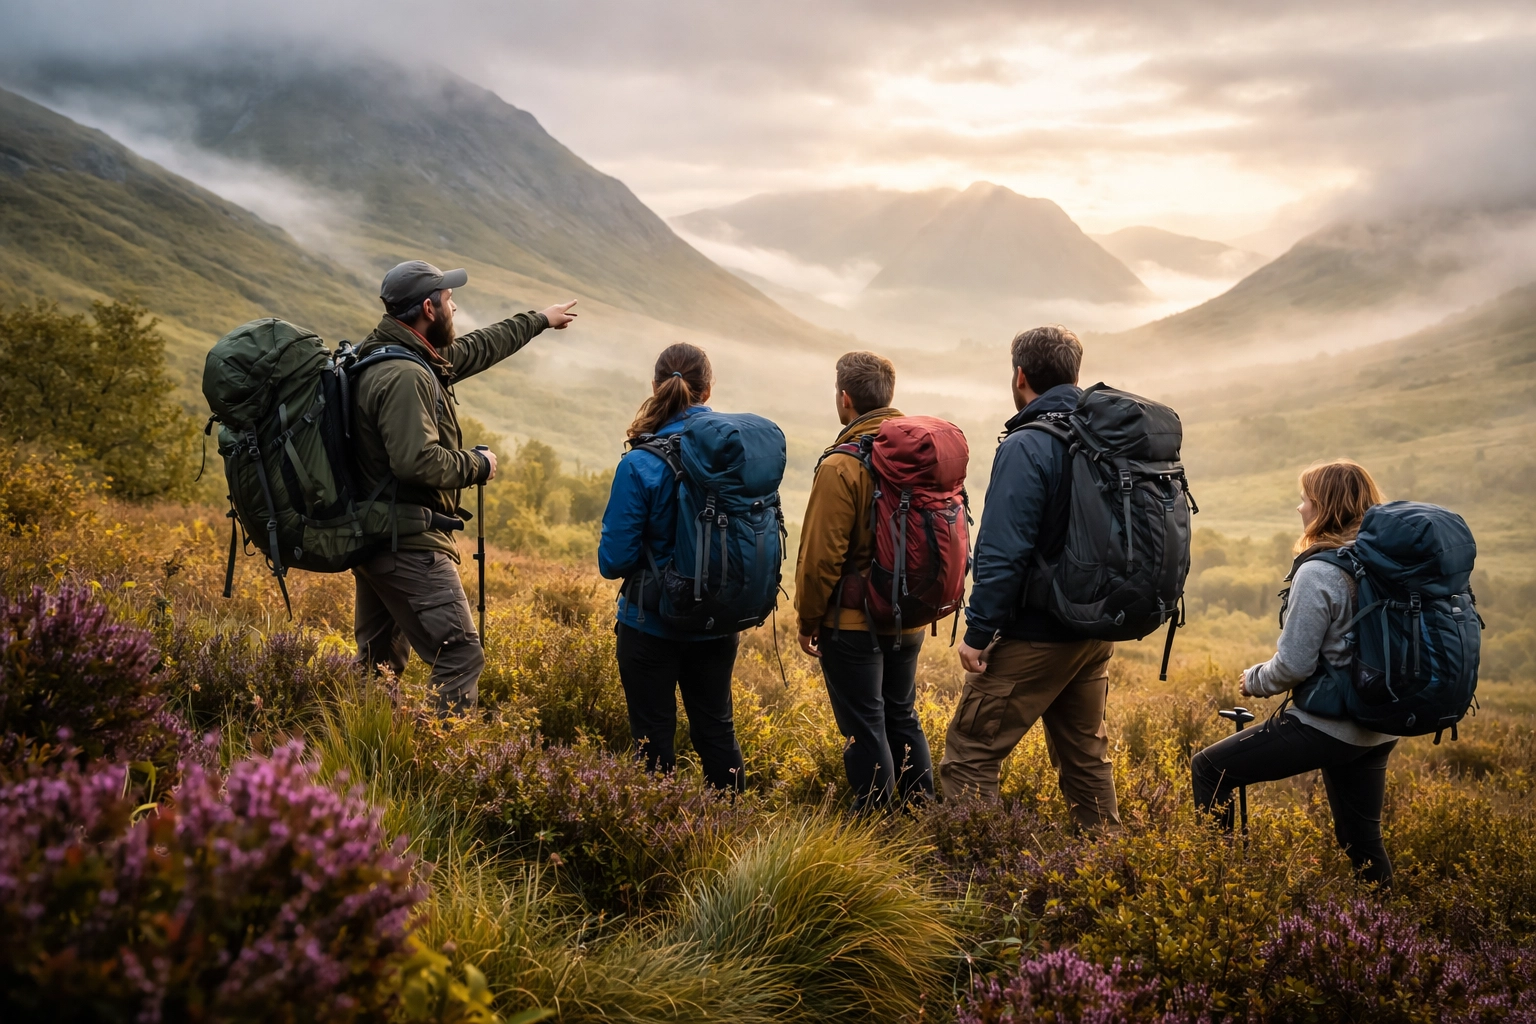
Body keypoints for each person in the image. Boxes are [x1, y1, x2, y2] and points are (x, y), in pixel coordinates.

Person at [352, 259, 578, 713]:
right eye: (449, 299)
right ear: (429, 309)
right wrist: (478, 464)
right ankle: (439, 766)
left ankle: (361, 758)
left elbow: (477, 347)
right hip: (407, 542)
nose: (455, 306)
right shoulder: (406, 375)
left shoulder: (392, 354)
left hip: (375, 537)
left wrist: (538, 319)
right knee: (458, 654)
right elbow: (416, 461)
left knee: (378, 663)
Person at [938, 325, 1120, 832]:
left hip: (1036, 633)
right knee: (1086, 757)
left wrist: (978, 632)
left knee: (971, 753)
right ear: (1074, 373)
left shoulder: (1029, 444)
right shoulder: (1102, 435)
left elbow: (1001, 552)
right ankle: (1108, 868)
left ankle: (971, 878)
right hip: (1093, 630)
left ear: (1020, 376)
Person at [1192, 459, 1397, 885]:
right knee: (1362, 840)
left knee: (1210, 769)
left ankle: (1217, 886)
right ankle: (1391, 933)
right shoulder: (1387, 564)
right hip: (1380, 724)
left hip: (1330, 724)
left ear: (1324, 507)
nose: (1299, 508)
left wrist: (1255, 680)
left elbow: (1294, 665)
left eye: (1305, 499)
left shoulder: (1321, 570)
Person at [597, 343, 746, 791]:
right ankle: (733, 835)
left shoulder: (640, 462)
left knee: (652, 740)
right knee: (717, 730)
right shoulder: (734, 457)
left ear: (655, 385)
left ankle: (661, 840)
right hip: (719, 621)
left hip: (651, 625)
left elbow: (614, 561)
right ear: (708, 388)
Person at [796, 351, 934, 812]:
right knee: (901, 715)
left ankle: (877, 826)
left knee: (865, 725)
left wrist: (809, 617)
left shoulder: (842, 465)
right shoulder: (919, 456)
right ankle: (924, 816)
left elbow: (821, 557)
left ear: (845, 398)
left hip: (854, 624)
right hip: (910, 616)